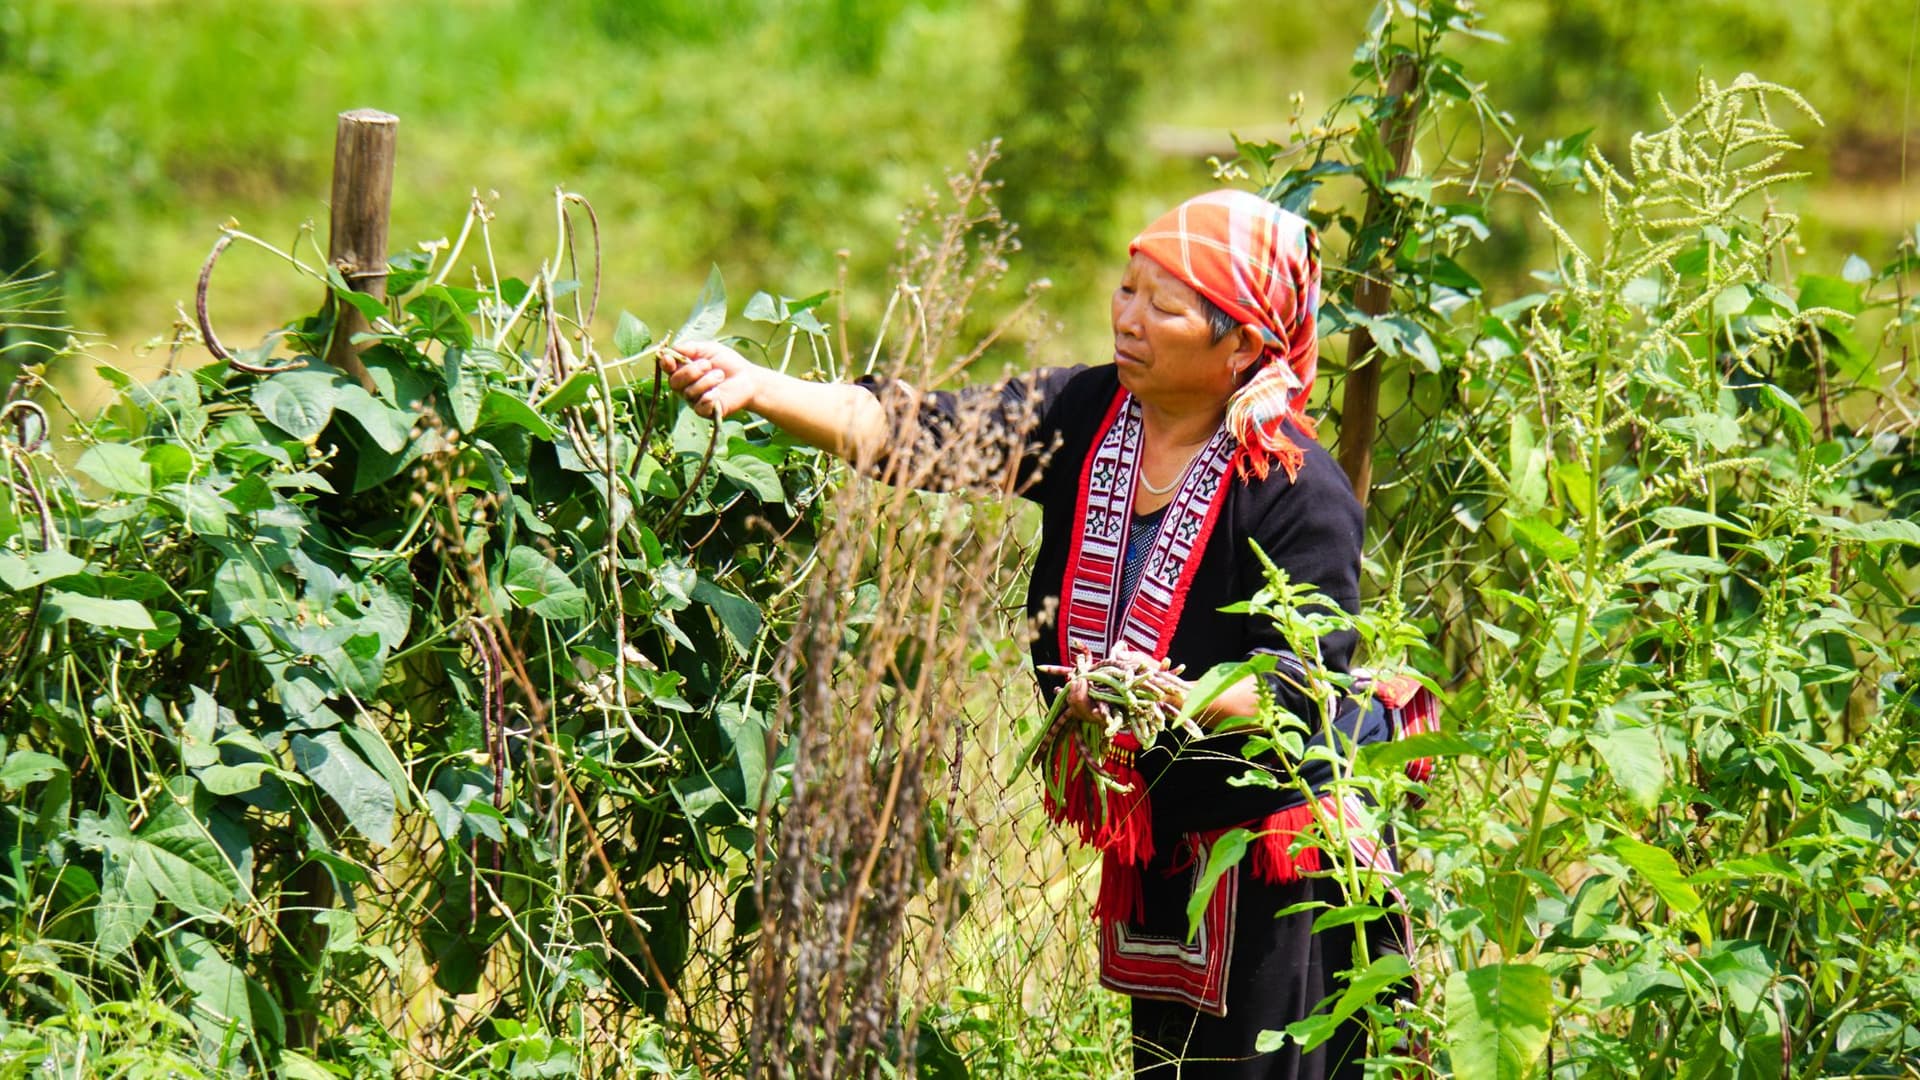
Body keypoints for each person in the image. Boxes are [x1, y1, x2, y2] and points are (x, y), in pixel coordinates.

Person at [660, 189, 1414, 1078]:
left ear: (1242, 342)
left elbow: (1305, 684)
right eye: (1127, 289)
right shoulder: (1087, 415)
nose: (1128, 318)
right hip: (1165, 839)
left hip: (1273, 861)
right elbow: (919, 432)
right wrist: (758, 389)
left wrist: (1176, 698)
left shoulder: (1296, 486)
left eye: (1163, 307)